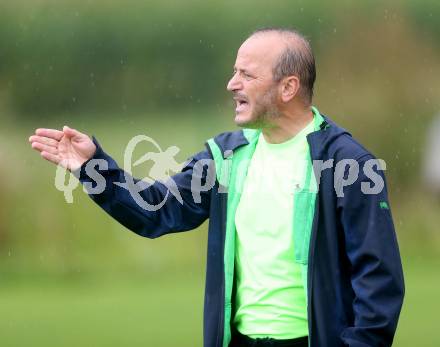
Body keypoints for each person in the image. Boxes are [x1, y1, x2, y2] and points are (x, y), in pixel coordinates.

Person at [29, 28, 404, 347]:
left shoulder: (349, 164)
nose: (232, 83)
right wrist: (93, 166)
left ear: (289, 87)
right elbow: (156, 210)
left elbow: (379, 280)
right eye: (233, 71)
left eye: (247, 74)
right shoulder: (226, 157)